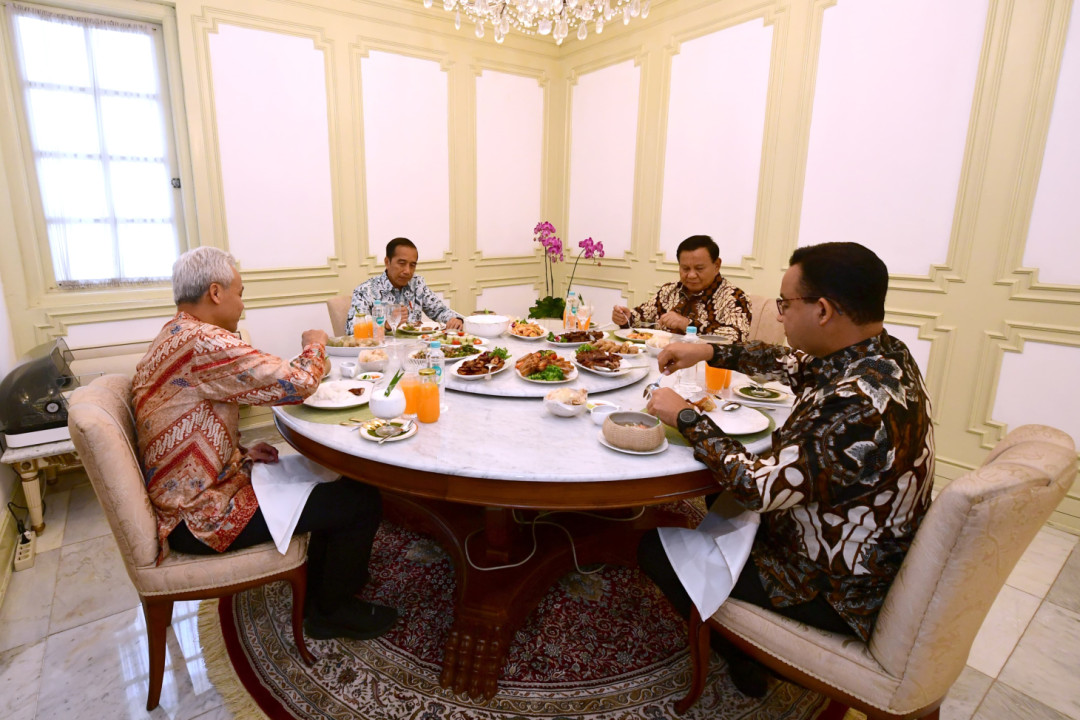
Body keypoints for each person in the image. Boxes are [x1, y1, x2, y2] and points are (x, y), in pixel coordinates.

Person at [639, 242, 934, 697]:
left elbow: (758, 487)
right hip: (854, 542)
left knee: (652, 548)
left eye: (785, 304)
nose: (778, 315)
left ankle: (746, 656)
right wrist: (708, 352)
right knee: (718, 496)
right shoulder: (880, 355)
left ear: (822, 310)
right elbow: (791, 363)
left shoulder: (855, 407)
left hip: (833, 585)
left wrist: (685, 417)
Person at [133, 247, 397, 641]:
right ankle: (331, 612)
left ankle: (328, 586)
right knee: (360, 499)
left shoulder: (176, 333)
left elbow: (187, 420)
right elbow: (298, 383)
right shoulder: (203, 342)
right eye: (240, 292)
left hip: (193, 490)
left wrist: (236, 454)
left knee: (328, 480)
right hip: (201, 517)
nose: (244, 302)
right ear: (216, 292)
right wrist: (315, 342)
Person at [611, 235, 751, 341]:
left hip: (704, 370)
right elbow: (641, 317)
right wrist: (626, 317)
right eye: (685, 268)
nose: (691, 275)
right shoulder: (669, 291)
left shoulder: (735, 298)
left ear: (717, 265)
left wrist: (688, 325)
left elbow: (736, 338)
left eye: (699, 268)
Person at [345, 237, 464, 333]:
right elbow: (351, 330)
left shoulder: (417, 284)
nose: (407, 270)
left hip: (417, 353)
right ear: (387, 262)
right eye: (402, 263)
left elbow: (439, 311)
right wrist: (385, 325)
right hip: (381, 355)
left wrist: (456, 320)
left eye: (412, 265)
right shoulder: (366, 290)